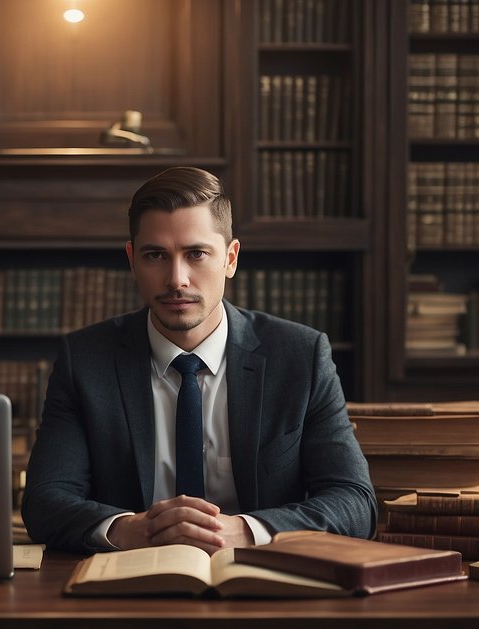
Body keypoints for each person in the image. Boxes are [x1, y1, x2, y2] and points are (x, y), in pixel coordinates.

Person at [21, 166, 376, 554]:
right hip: (129, 582)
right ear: (132, 260)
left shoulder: (300, 356)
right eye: (156, 255)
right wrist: (128, 529)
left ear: (230, 258)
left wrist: (247, 530)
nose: (177, 279)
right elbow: (44, 501)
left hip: (263, 583)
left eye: (196, 254)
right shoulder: (85, 360)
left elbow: (355, 502)